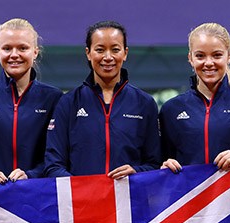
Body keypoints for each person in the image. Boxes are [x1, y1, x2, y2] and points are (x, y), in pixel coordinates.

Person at [44, 21, 161, 178]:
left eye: (115, 50)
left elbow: (156, 164)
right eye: (100, 50)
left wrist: (137, 172)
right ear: (88, 53)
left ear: (125, 53)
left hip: (129, 200)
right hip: (82, 200)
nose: (108, 57)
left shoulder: (145, 104)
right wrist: (82, 189)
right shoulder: (68, 103)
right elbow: (53, 164)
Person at [159, 23, 230, 173]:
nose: (208, 63)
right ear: (190, 58)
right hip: (190, 195)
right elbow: (160, 161)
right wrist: (164, 167)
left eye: (217, 55)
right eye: (200, 56)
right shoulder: (171, 109)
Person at [0, 18, 63, 183]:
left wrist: (31, 174)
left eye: (23, 48)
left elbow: (58, 153)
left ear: (35, 51)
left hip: (36, 195)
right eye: (7, 48)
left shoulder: (53, 98)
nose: (14, 55)